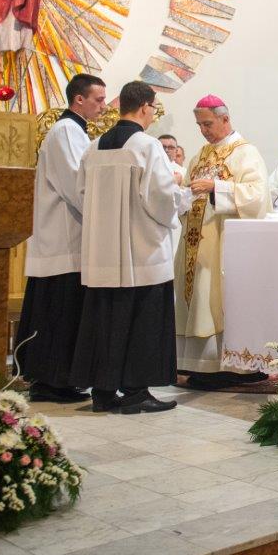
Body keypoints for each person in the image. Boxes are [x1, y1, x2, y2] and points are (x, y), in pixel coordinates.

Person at [70, 81, 188, 413]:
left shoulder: (95, 146)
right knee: (141, 320)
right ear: (145, 107)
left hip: (101, 253)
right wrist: (184, 196)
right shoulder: (146, 146)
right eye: (153, 109)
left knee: (105, 321)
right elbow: (161, 198)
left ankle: (103, 392)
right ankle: (136, 392)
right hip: (140, 253)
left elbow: (81, 194)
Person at [16, 73, 105, 403]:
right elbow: (76, 185)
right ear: (79, 99)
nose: (103, 106)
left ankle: (60, 380)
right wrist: (106, 212)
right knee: (58, 314)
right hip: (63, 240)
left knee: (62, 312)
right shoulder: (66, 131)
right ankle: (51, 382)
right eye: (98, 99)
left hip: (68, 239)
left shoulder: (74, 131)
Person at [175, 95, 271, 389]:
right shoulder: (200, 156)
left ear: (225, 119)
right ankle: (200, 364)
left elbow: (257, 196)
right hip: (195, 244)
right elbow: (186, 193)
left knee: (218, 299)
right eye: (199, 125)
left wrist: (216, 187)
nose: (203, 130)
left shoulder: (246, 153)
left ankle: (234, 367)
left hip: (225, 246)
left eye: (207, 124)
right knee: (199, 299)